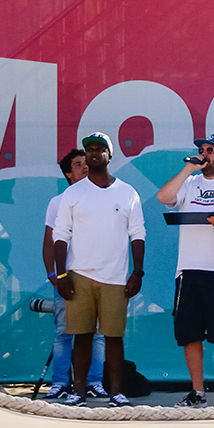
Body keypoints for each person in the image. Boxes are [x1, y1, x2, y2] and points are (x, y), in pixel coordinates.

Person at [155, 135, 214, 409]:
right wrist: (189, 168)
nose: (205, 153)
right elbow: (164, 197)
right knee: (190, 333)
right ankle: (197, 392)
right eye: (201, 150)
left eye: (211, 150)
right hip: (188, 271)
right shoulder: (190, 183)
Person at [48, 134, 144, 407]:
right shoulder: (73, 193)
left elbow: (137, 234)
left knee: (114, 337)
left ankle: (116, 393)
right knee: (82, 336)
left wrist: (137, 272)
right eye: (89, 150)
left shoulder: (127, 192)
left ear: (110, 155)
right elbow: (60, 236)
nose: (93, 154)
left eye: (100, 149)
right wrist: (62, 275)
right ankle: (78, 393)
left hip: (115, 277)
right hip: (79, 275)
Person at [37, 147, 104, 402]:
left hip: (99, 275)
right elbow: (49, 240)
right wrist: (52, 273)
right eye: (78, 164)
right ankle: (60, 384)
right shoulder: (58, 202)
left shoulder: (105, 197)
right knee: (64, 332)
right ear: (68, 174)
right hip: (68, 276)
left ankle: (94, 383)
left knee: (97, 333)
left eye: (86, 162)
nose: (85, 166)